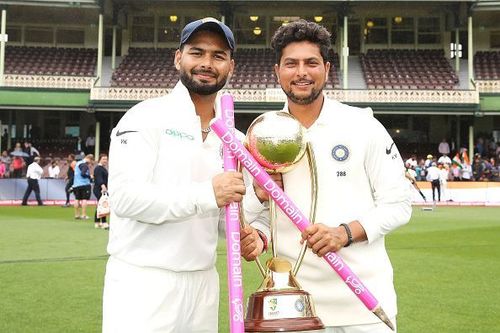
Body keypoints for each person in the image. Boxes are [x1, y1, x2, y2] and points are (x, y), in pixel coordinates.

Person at [240, 20, 412, 333]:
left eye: (311, 63)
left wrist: (343, 233)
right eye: (291, 63)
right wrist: (258, 231)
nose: (301, 72)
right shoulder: (262, 135)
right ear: (277, 70)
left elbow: (399, 204)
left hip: (361, 303)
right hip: (293, 308)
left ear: (327, 68)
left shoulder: (362, 125)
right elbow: (261, 217)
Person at [102, 17, 247, 333]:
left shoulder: (235, 137)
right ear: (178, 57)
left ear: (231, 66)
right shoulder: (146, 116)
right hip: (144, 282)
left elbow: (223, 219)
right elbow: (126, 199)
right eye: (197, 52)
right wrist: (207, 194)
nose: (207, 63)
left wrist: (249, 228)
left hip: (204, 282)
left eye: (218, 56)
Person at [73, 154, 94, 219]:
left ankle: (77, 215)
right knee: (84, 199)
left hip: (76, 184)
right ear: (89, 159)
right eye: (91, 161)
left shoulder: (78, 163)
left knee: (77, 199)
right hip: (84, 184)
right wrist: (89, 176)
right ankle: (84, 215)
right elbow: (83, 174)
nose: (90, 163)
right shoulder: (84, 165)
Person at [93, 154, 109, 229]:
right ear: (100, 159)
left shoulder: (102, 168)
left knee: (100, 205)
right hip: (99, 189)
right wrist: (103, 186)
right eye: (103, 159)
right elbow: (99, 178)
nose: (105, 161)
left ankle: (97, 222)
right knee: (103, 205)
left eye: (106, 159)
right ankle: (103, 222)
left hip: (102, 189)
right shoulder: (98, 168)